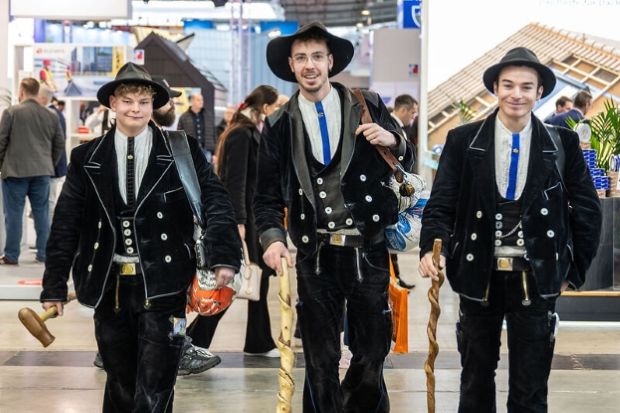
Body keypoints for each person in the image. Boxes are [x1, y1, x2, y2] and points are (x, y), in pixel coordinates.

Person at [39, 62, 241, 412]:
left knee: (156, 388)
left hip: (166, 285)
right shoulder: (86, 157)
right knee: (120, 385)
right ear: (113, 103)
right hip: (110, 288)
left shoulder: (181, 149)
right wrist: (54, 286)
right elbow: (66, 224)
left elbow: (217, 201)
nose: (136, 109)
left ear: (153, 105)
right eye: (128, 101)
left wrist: (224, 255)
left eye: (144, 102)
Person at [418, 47, 602, 412]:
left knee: (530, 390)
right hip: (477, 276)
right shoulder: (463, 140)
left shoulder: (562, 143)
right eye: (508, 85)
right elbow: (442, 204)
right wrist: (432, 248)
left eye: (526, 87)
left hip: (536, 280)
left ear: (539, 92)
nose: (516, 94)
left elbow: (587, 210)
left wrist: (571, 272)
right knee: (474, 384)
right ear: (495, 88)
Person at [255, 22, 414, 412]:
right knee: (320, 355)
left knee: (373, 347)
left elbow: (405, 159)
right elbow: (265, 197)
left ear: (330, 62)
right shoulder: (278, 124)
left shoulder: (366, 104)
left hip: (367, 248)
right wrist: (273, 238)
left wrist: (393, 140)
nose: (309, 65)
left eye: (316, 56)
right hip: (316, 253)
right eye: (301, 58)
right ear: (291, 66)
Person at [186, 85, 280, 362]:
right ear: (265, 107)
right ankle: (193, 340)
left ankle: (257, 341)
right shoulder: (241, 134)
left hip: (252, 218)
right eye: (276, 107)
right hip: (244, 220)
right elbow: (233, 181)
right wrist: (237, 221)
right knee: (234, 282)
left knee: (253, 281)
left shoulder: (248, 131)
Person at [0, 78, 64, 265]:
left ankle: (11, 255)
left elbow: (2, 142)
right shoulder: (51, 115)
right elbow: (59, 143)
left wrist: (2, 165)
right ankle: (44, 254)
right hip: (42, 172)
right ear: (37, 92)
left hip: (15, 172)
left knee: (14, 215)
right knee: (41, 214)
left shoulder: (11, 113)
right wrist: (49, 163)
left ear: (21, 91)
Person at [36, 85, 68, 224]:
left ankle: (48, 233)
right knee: (48, 201)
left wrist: (49, 164)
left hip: (51, 166)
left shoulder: (50, 114)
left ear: (43, 98)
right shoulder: (55, 113)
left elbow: (55, 143)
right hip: (52, 165)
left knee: (48, 202)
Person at [177, 92, 217, 162]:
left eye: (202, 100)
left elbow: (214, 134)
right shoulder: (184, 117)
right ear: (192, 101)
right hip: (190, 151)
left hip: (207, 151)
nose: (201, 102)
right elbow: (179, 135)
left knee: (206, 168)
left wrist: (215, 153)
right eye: (198, 100)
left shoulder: (208, 116)